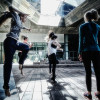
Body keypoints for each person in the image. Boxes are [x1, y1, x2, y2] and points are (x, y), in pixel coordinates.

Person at [0, 6, 31, 96]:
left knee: (26, 47)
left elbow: (22, 26)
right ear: (21, 16)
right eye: (25, 17)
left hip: (15, 42)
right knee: (8, 64)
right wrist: (22, 12)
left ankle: (20, 62)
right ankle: (6, 86)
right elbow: (10, 7)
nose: (26, 18)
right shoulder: (17, 16)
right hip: (9, 42)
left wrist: (27, 29)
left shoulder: (20, 23)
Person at [78, 9, 100, 100]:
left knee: (88, 72)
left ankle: (89, 93)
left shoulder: (82, 26)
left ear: (86, 17)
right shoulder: (98, 26)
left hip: (86, 51)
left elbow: (80, 41)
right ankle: (99, 92)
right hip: (97, 51)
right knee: (98, 72)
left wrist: (79, 52)